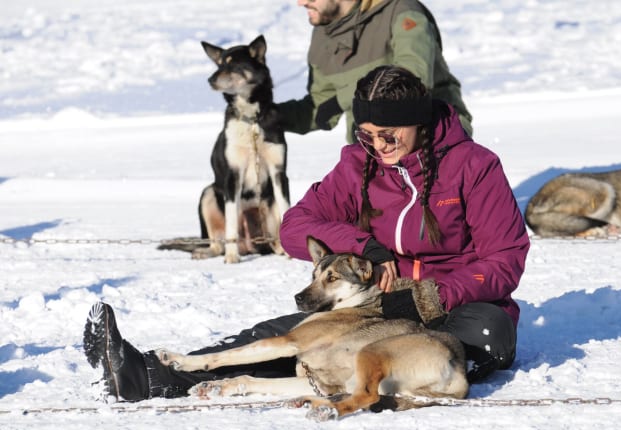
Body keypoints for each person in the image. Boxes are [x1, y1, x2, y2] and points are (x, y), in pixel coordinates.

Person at [83, 66, 528, 402]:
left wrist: (430, 295)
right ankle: (151, 375)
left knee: (489, 332)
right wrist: (363, 246)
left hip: (455, 305)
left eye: (390, 135)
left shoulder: (473, 166)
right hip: (376, 303)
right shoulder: (360, 165)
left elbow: (505, 258)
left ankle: (406, 379)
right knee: (299, 333)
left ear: (421, 123)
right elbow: (295, 226)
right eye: (369, 134)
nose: (380, 146)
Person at [278, 0, 473, 142]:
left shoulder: (402, 11)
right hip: (373, 149)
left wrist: (341, 100)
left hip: (435, 138)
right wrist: (268, 115)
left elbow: (412, 77)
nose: (301, 3)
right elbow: (321, 106)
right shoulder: (323, 34)